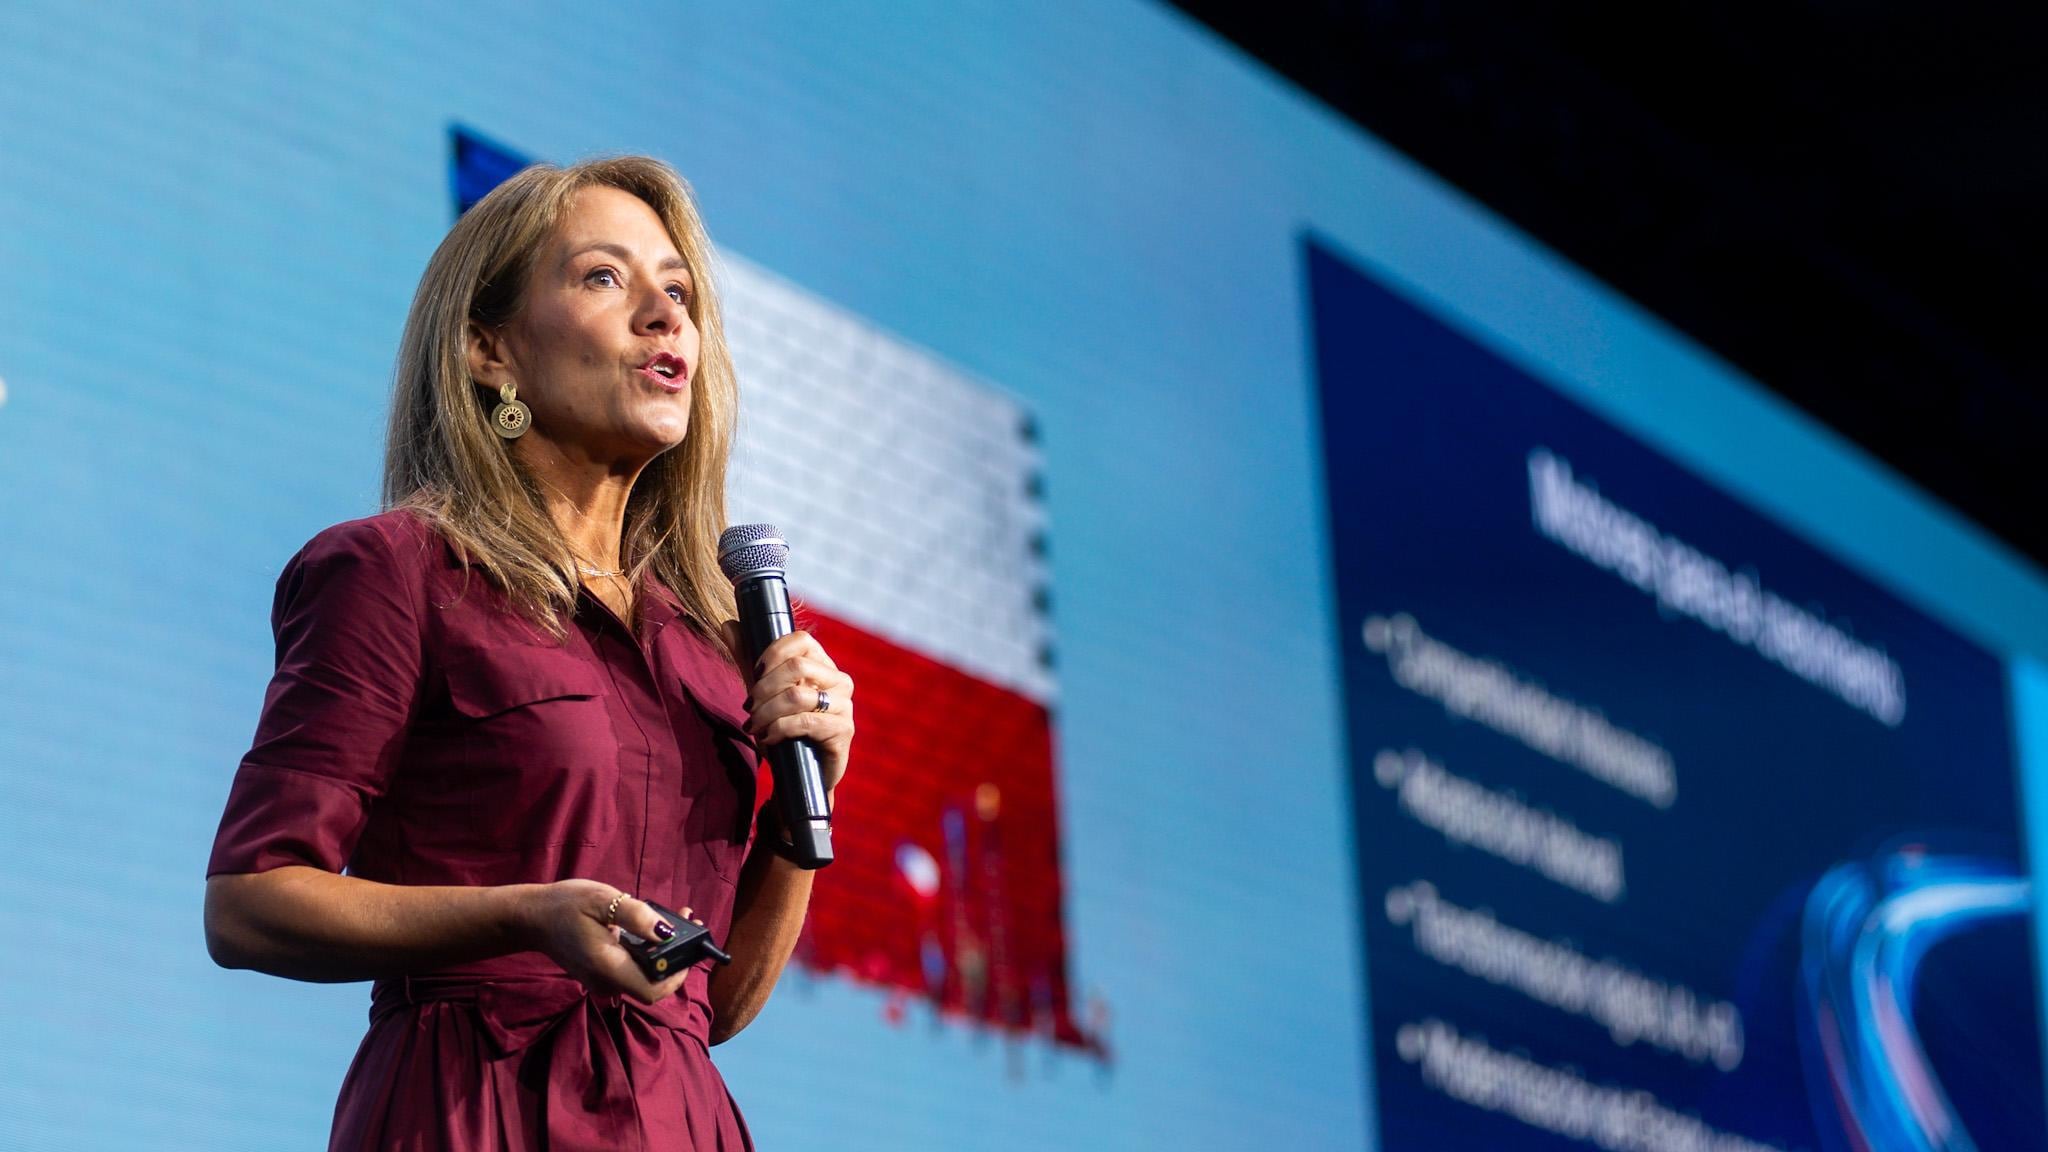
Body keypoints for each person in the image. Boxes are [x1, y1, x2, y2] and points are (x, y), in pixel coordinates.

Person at [203, 156, 856, 1151]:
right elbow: (249, 902)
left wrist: (798, 811)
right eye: (605, 278)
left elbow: (712, 1007)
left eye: (679, 294)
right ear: (488, 350)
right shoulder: (397, 571)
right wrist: (527, 916)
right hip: (471, 1104)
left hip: (677, 1119)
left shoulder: (710, 640)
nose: (664, 317)